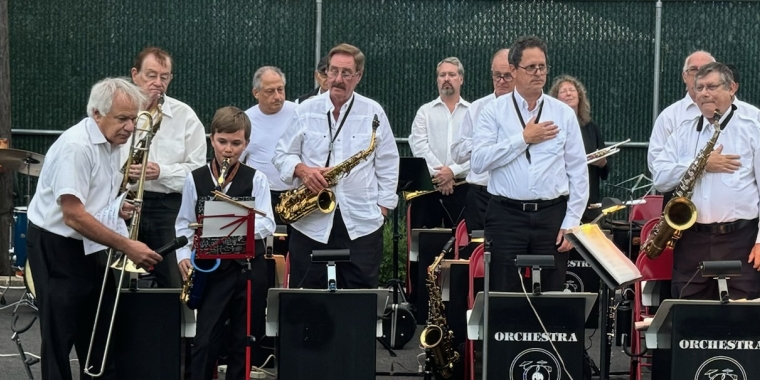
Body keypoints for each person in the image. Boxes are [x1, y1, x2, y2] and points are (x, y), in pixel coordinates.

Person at [26, 77, 163, 380]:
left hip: (90, 242)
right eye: (123, 118)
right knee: (59, 338)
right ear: (97, 114)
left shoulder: (112, 142)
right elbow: (73, 215)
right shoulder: (77, 147)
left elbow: (92, 200)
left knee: (99, 333)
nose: (130, 127)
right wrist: (128, 246)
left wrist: (117, 208)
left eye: (132, 118)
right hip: (58, 244)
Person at [273, 43, 399, 289]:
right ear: (325, 73)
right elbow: (281, 154)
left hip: (361, 224)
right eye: (333, 71)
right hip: (310, 222)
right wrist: (302, 170)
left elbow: (388, 162)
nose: (338, 79)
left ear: (358, 76)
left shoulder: (373, 111)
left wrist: (382, 209)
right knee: (307, 301)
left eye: (346, 73)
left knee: (359, 301)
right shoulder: (305, 110)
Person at [471, 36, 589, 292]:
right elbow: (479, 162)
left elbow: (578, 171)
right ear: (513, 70)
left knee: (552, 290)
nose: (538, 73)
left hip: (551, 215)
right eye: (531, 67)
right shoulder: (493, 111)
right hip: (506, 215)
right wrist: (523, 139)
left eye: (542, 67)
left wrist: (572, 221)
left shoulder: (563, 113)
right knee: (504, 291)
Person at [175, 106, 275, 380]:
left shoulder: (257, 178)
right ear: (212, 139)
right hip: (212, 270)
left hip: (248, 269)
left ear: (246, 144)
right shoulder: (195, 179)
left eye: (236, 143)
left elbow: (269, 223)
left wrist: (231, 228)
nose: (228, 150)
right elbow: (184, 222)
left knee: (243, 342)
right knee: (205, 340)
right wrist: (183, 255)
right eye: (222, 142)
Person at [652, 62, 760, 300]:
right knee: (688, 317)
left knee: (742, 320)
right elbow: (659, 178)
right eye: (699, 87)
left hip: (741, 240)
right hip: (692, 241)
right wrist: (700, 164)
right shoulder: (683, 132)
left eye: (711, 86)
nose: (704, 93)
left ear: (732, 88)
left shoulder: (753, 129)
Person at [122, 46, 207, 288]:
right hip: (123, 204)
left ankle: (172, 324)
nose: (158, 82)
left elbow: (198, 174)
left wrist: (162, 171)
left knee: (173, 279)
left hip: (168, 207)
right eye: (151, 75)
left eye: (164, 76)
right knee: (113, 279)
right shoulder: (120, 112)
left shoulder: (186, 116)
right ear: (135, 74)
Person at [451, 48, 514, 234]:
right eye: (497, 76)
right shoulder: (477, 107)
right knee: (477, 251)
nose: (501, 81)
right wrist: (483, 145)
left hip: (511, 195)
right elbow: (457, 152)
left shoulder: (527, 109)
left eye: (507, 76)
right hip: (480, 193)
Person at [408, 57, 470, 229]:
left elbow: (478, 151)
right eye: (442, 75)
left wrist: (452, 171)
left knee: (461, 244)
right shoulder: (424, 112)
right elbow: (419, 147)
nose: (446, 79)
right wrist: (442, 175)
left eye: (451, 74)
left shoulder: (473, 112)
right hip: (429, 188)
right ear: (437, 80)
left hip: (463, 188)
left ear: (461, 79)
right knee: (425, 243)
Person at [648, 51, 715, 185]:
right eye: (694, 70)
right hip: (679, 197)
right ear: (684, 76)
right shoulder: (669, 117)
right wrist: (700, 165)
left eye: (706, 69)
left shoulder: (742, 116)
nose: (700, 74)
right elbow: (657, 168)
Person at [549, 75, 609, 223]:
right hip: (560, 200)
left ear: (580, 96)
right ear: (556, 99)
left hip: (589, 199)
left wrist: (602, 162)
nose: (569, 93)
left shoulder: (591, 127)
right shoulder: (552, 127)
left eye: (572, 90)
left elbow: (605, 170)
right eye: (563, 91)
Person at [243, 66, 298, 225]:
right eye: (270, 91)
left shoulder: (299, 113)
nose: (277, 96)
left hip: (297, 196)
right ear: (256, 93)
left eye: (280, 90)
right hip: (261, 197)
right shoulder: (246, 120)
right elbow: (237, 161)